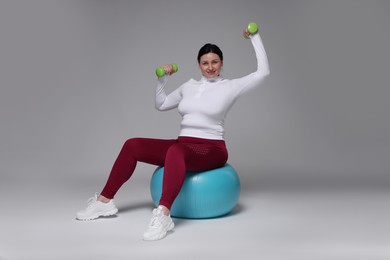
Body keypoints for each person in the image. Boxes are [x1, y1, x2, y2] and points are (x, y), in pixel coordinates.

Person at [76, 22, 270, 241]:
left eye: (215, 62)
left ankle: (164, 214)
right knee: (133, 145)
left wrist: (254, 37)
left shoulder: (231, 86)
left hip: (212, 148)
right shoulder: (189, 87)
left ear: (222, 63)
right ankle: (104, 202)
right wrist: (162, 81)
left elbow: (263, 73)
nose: (210, 67)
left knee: (175, 152)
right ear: (199, 65)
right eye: (205, 62)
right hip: (183, 144)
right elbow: (162, 104)